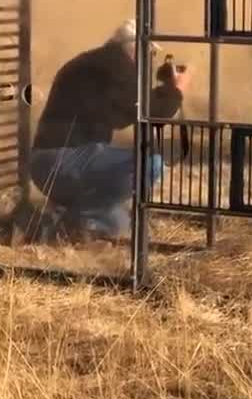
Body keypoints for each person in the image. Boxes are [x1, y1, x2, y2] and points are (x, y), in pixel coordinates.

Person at [27, 19, 190, 242]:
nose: (149, 61)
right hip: (63, 161)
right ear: (135, 49)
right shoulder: (115, 66)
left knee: (119, 225)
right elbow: (150, 110)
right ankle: (72, 220)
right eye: (149, 53)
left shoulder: (96, 63)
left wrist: (166, 91)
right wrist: (176, 90)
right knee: (151, 165)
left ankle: (64, 220)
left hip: (52, 164)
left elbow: (126, 110)